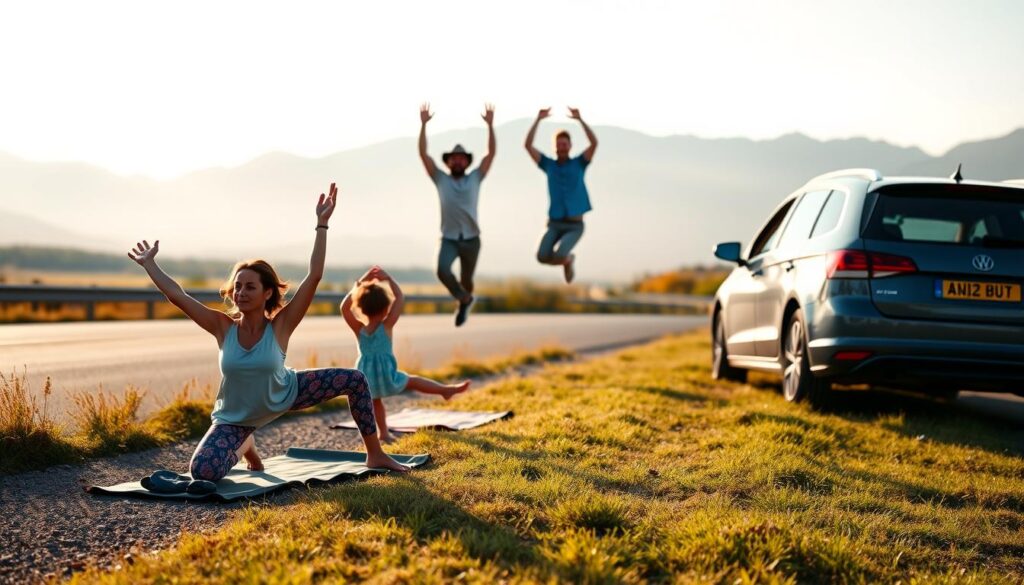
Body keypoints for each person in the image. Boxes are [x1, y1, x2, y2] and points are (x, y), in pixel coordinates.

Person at [127, 183, 409, 482]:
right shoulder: (222, 327)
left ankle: (375, 452)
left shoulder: (281, 326)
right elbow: (179, 296)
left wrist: (322, 224)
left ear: (267, 293)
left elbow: (314, 276)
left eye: (250, 287)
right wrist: (150, 265)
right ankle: (246, 442)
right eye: (237, 286)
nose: (241, 292)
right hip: (235, 418)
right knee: (203, 471)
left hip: (286, 393)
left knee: (354, 379)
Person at [341, 265, 470, 443]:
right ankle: (444, 390)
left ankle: (383, 433)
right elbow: (399, 298)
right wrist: (389, 279)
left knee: (375, 401)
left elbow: (344, 308)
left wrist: (362, 282)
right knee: (413, 381)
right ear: (386, 309)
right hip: (387, 375)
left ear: (360, 308)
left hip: (367, 376)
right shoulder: (386, 326)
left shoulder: (359, 329)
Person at [418, 102, 496, 326]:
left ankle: (464, 304)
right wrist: (423, 125)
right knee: (442, 269)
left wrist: (490, 126)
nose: (458, 160)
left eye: (462, 158)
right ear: (448, 161)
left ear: (467, 162)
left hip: (472, 238)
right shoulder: (440, 178)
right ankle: (464, 298)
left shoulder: (475, 178)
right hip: (449, 237)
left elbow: (491, 154)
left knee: (466, 279)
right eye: (454, 158)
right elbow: (423, 154)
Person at [524, 107, 598, 283]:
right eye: (559, 143)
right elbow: (527, 146)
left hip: (575, 225)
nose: (562, 146)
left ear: (570, 146)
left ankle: (567, 259)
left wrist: (580, 120)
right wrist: (538, 119)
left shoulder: (580, 163)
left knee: (560, 254)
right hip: (554, 224)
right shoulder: (548, 165)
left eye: (565, 143)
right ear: (555, 146)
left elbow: (594, 143)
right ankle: (566, 261)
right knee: (542, 256)